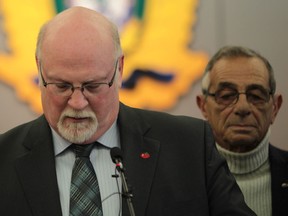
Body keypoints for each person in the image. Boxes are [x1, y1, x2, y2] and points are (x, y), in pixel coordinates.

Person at [0, 7, 255, 216]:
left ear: (119, 68)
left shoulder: (189, 147)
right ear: (39, 68)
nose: (77, 102)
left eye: (93, 86)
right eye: (61, 86)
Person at [196, 45, 288, 216]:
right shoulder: (180, 181)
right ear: (203, 106)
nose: (242, 107)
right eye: (226, 96)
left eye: (256, 96)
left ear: (275, 107)